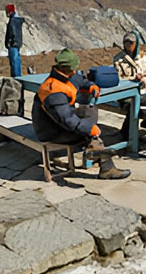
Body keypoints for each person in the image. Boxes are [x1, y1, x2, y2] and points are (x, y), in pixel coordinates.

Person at [32, 49, 130, 179]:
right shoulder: (53, 90)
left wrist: (91, 86)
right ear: (68, 68)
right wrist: (89, 128)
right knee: (90, 133)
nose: (75, 70)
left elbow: (81, 81)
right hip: (50, 131)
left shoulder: (66, 76)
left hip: (59, 123)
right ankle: (103, 162)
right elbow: (66, 120)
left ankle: (96, 152)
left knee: (89, 111)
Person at [113, 31, 146, 134]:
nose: (128, 44)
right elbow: (119, 79)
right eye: (126, 42)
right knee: (133, 104)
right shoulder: (119, 59)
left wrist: (143, 79)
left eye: (131, 42)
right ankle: (127, 133)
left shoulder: (143, 57)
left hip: (143, 90)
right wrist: (133, 79)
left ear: (136, 44)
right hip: (125, 92)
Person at [5, 4, 24, 78]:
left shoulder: (13, 21)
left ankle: (15, 77)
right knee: (17, 60)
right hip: (17, 43)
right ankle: (18, 75)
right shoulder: (18, 20)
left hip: (13, 44)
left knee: (14, 61)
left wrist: (10, 42)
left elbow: (12, 32)